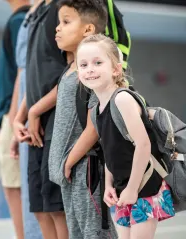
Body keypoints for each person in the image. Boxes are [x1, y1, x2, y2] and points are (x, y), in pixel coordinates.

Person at [77, 33, 175, 239]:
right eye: (83, 65)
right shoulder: (96, 108)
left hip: (145, 185)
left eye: (97, 62)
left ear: (115, 69)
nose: (90, 69)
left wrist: (132, 189)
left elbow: (143, 145)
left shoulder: (122, 99)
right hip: (124, 189)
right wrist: (109, 185)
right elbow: (109, 151)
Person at [47, 1, 118, 238]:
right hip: (71, 173)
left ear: (88, 29)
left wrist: (69, 161)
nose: (57, 28)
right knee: (79, 232)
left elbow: (94, 125)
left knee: (95, 232)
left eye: (66, 21)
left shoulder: (90, 73)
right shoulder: (71, 70)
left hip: (86, 169)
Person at [13, 0, 69, 238]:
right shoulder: (38, 13)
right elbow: (34, 73)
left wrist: (36, 111)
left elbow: (73, 73)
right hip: (35, 123)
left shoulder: (65, 9)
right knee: (39, 208)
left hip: (56, 121)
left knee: (57, 209)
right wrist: (21, 115)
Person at [0, 1, 30, 238]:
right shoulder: (20, 19)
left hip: (14, 114)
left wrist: (16, 116)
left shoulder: (19, 21)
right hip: (14, 112)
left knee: (13, 184)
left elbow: (23, 71)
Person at [10, 1, 44, 238]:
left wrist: (30, 113)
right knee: (34, 196)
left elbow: (50, 74)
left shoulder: (55, 12)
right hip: (28, 108)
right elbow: (25, 74)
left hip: (43, 115)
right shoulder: (32, 15)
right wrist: (17, 119)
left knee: (50, 205)